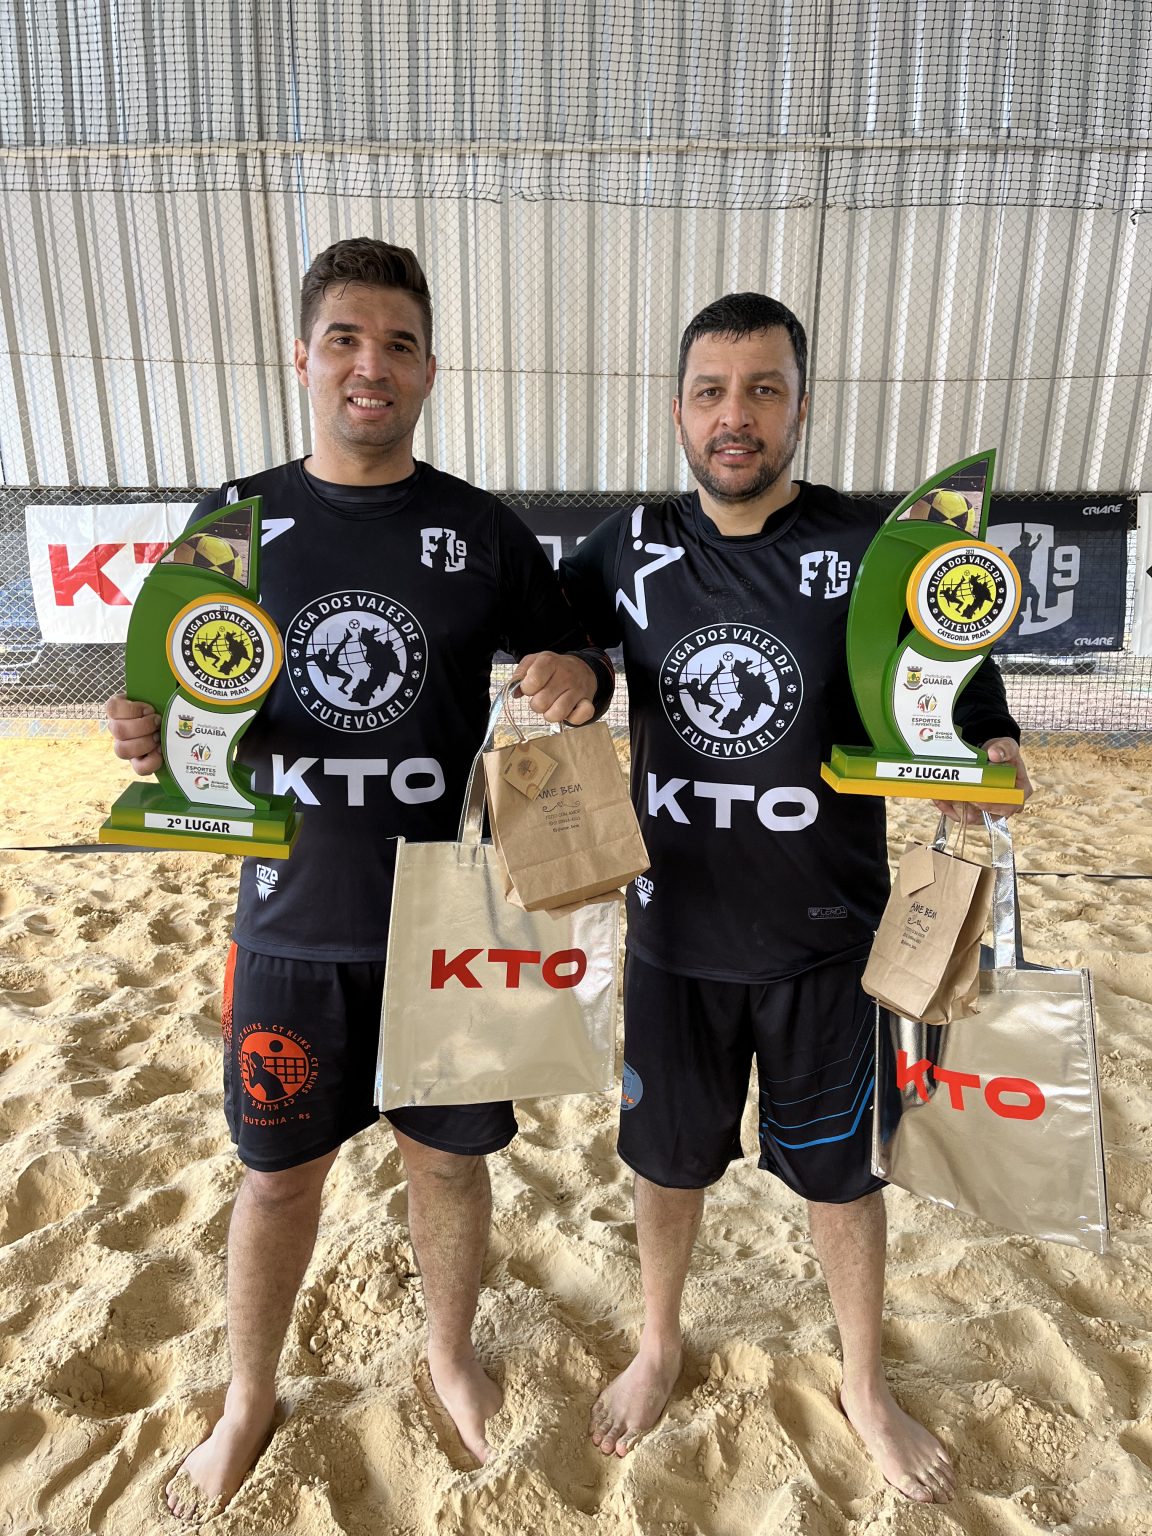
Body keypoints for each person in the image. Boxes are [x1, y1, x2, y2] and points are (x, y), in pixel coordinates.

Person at [107, 238, 613, 1522]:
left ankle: (448, 1355)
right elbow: (177, 692)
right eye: (345, 339)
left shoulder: (478, 527)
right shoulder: (235, 525)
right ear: (304, 358)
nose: (369, 366)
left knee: (446, 1166)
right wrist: (145, 730)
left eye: (397, 344)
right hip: (289, 922)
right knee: (278, 1177)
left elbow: (578, 657)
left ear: (430, 369)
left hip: (448, 922)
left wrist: (578, 677)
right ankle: (248, 1396)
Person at [560, 292, 1031, 1502]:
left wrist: (993, 754)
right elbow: (565, 650)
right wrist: (568, 674)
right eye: (713, 392)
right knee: (667, 1165)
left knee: (845, 1180)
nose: (737, 416)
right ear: (677, 410)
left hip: (831, 941)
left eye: (764, 390)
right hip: (674, 936)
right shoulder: (627, 546)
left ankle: (864, 1381)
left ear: (801, 407)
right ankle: (658, 1343)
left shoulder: (876, 550)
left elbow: (964, 697)